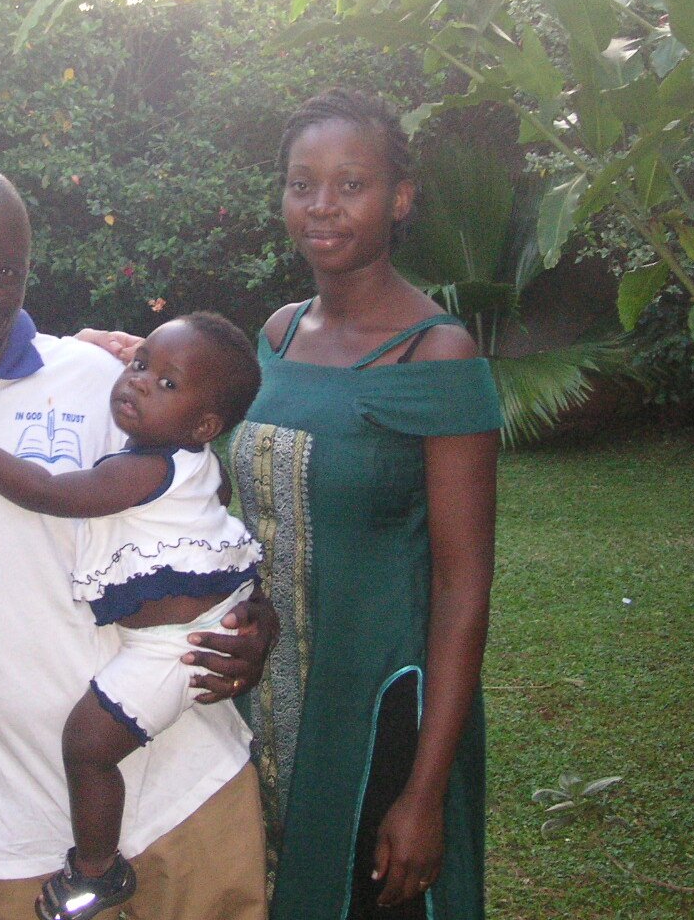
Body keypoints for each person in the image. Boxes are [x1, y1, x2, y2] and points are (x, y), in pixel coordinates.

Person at [0, 162, 273, 920]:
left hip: (185, 785)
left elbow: (202, 504)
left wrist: (252, 618)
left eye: (9, 269)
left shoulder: (99, 377)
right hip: (8, 834)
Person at [229, 89, 501, 920]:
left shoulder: (436, 352)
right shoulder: (274, 336)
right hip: (262, 701)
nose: (322, 206)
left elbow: (463, 591)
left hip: (384, 707)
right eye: (301, 183)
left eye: (351, 184)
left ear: (400, 198)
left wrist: (423, 791)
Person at [0, 310, 263, 920]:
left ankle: (96, 870)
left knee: (88, 745)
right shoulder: (194, 463)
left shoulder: (142, 469)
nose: (136, 381)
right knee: (92, 739)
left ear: (204, 423)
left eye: (166, 383)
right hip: (201, 628)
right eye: (140, 364)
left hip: (175, 650)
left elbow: (53, 493)